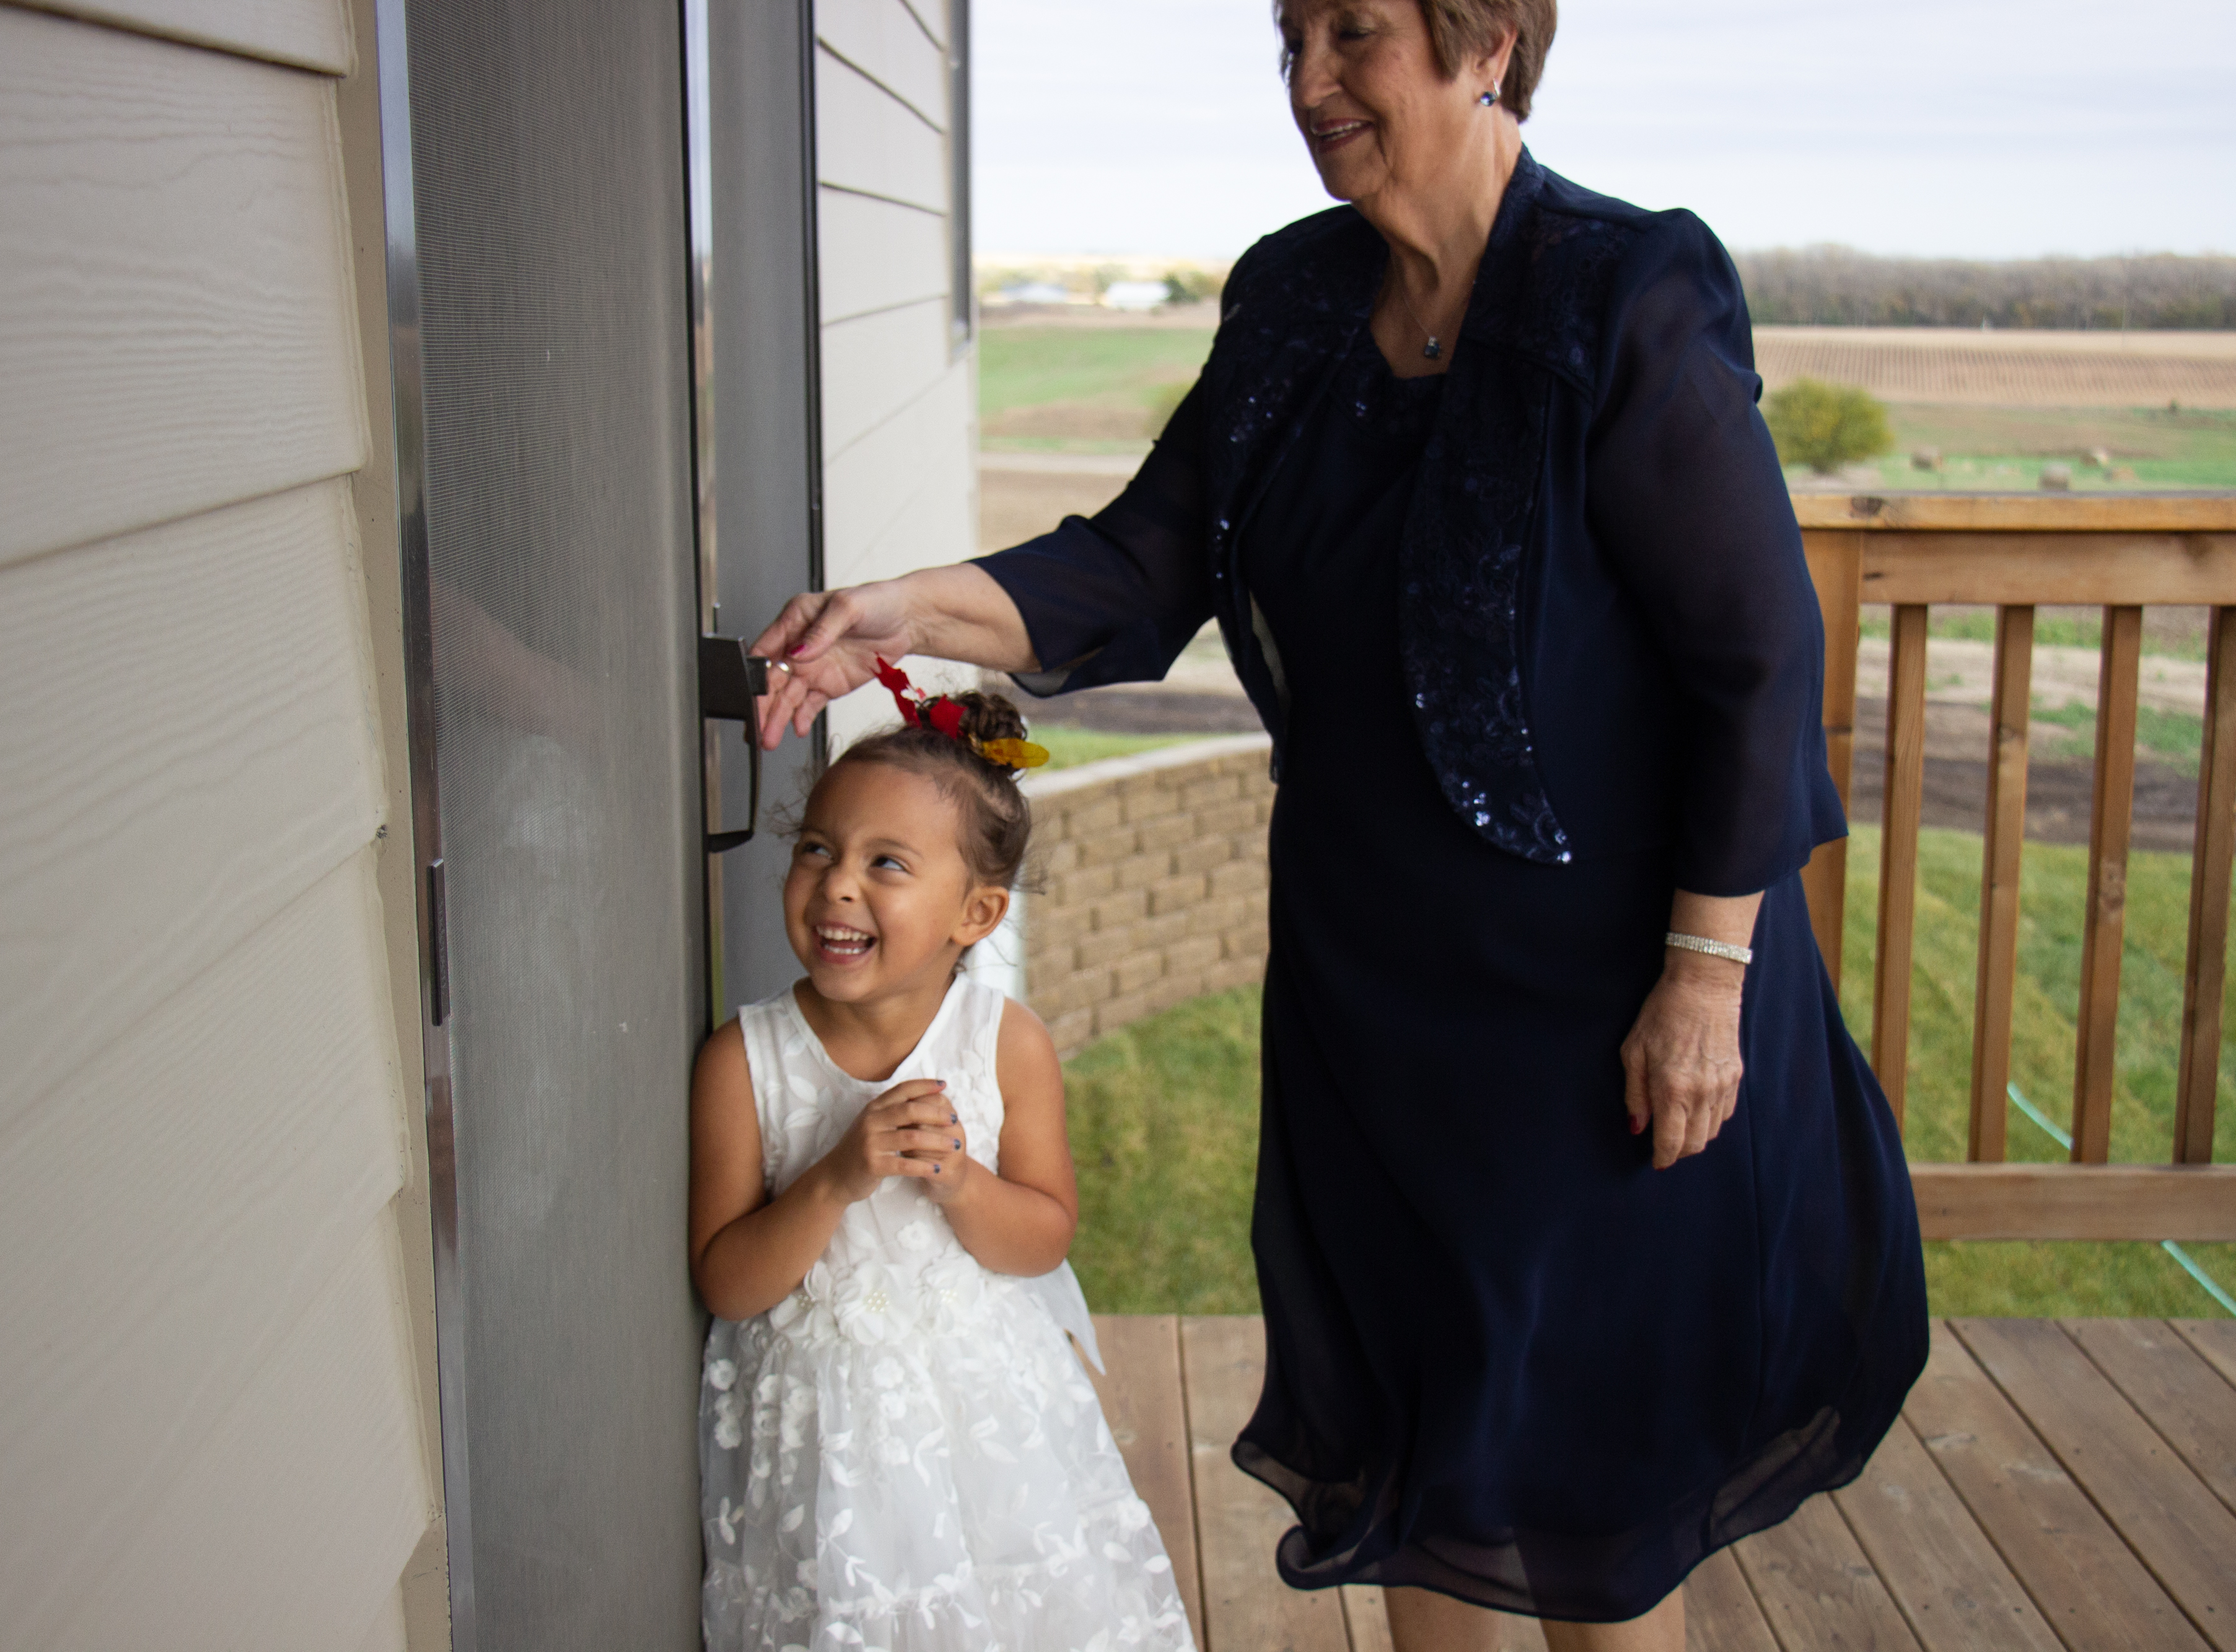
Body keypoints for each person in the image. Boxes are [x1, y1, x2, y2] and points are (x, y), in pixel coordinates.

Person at [746, 0, 1929, 1645]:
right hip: (1374, 997)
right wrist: (903, 604)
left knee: (1587, 1484)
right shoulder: (1294, 298)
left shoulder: (1625, 288)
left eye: (1354, 33)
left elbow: (1756, 655)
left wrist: (1707, 978)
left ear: (1489, 42)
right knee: (1413, 1458)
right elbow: (1135, 563)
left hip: (1607, 1010)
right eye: (1290, 35)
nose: (1308, 83)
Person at [689, 680, 1197, 1652]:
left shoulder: (1003, 1046)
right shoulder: (743, 1060)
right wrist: (836, 1178)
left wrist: (962, 1181)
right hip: (828, 1440)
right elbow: (729, 1280)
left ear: (976, 911)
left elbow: (1042, 1240)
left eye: (887, 864)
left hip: (988, 1417)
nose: (838, 884)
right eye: (817, 850)